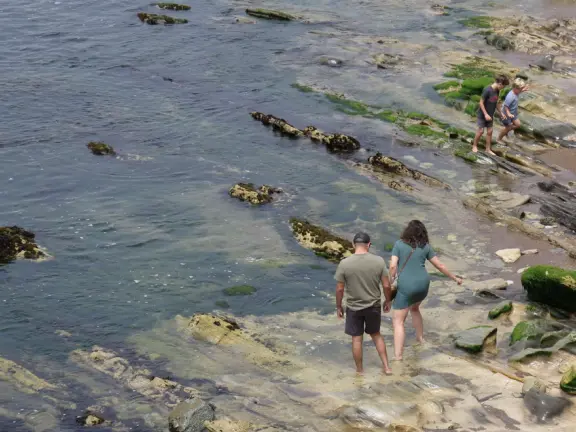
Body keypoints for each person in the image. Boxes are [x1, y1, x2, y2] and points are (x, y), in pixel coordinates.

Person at [389, 221, 462, 360]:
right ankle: (420, 339)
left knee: (398, 321)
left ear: (407, 232)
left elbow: (393, 267)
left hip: (406, 285)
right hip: (423, 285)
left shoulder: (399, 244)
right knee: (415, 309)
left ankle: (398, 356)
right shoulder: (426, 247)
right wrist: (454, 278)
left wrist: (390, 280)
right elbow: (439, 265)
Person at [335, 232, 393, 375]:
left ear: (353, 245)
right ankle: (387, 367)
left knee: (356, 339)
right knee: (376, 334)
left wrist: (338, 306)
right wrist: (388, 300)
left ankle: (360, 371)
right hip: (373, 306)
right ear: (369, 245)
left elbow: (339, 289)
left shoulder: (344, 263)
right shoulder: (379, 261)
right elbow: (386, 285)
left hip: (354, 307)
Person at [472, 75, 510, 155]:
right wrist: (485, 114)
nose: (503, 88)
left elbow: (496, 102)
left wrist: (501, 113)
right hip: (482, 114)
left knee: (490, 131)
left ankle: (488, 149)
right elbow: (481, 102)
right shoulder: (487, 90)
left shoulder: (497, 90)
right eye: (503, 86)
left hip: (490, 114)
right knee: (481, 131)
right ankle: (474, 146)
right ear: (500, 83)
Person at [497, 78, 529, 143]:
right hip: (506, 114)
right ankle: (499, 138)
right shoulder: (510, 96)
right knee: (508, 127)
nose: (521, 90)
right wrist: (508, 113)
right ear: (515, 88)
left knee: (518, 124)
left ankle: (505, 131)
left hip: (513, 113)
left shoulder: (516, 92)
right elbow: (506, 106)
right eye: (520, 89)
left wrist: (523, 90)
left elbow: (518, 91)